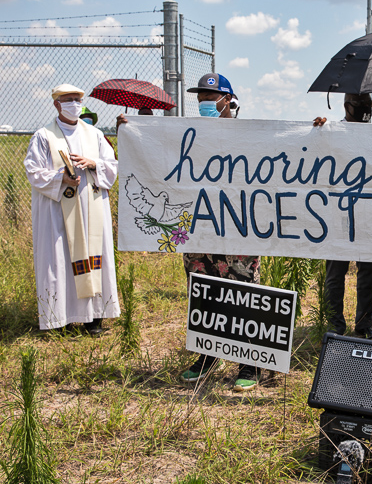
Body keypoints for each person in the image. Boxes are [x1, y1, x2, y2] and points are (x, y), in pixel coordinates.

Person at [120, 73, 262, 392]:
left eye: (212, 99)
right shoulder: (188, 133)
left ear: (229, 100)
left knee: (242, 293)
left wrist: (316, 132)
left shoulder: (251, 135)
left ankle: (249, 363)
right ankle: (207, 357)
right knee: (203, 293)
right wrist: (135, 130)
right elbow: (157, 160)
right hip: (196, 228)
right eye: (201, 100)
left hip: (236, 228)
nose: (206, 104)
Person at [24, 83, 120, 335]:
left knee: (93, 256)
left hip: (91, 209)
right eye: (68, 100)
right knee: (59, 260)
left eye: (78, 99)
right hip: (58, 212)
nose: (74, 104)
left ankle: (94, 318)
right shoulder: (44, 136)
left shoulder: (95, 134)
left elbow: (111, 166)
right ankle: (61, 318)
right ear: (57, 104)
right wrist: (60, 178)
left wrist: (93, 163)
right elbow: (33, 171)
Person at [314, 93, 372, 338]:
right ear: (347, 106)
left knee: (367, 274)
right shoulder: (332, 131)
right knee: (335, 273)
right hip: (337, 212)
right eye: (361, 105)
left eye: (369, 105)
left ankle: (363, 327)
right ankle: (335, 327)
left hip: (368, 212)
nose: (365, 110)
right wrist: (318, 131)